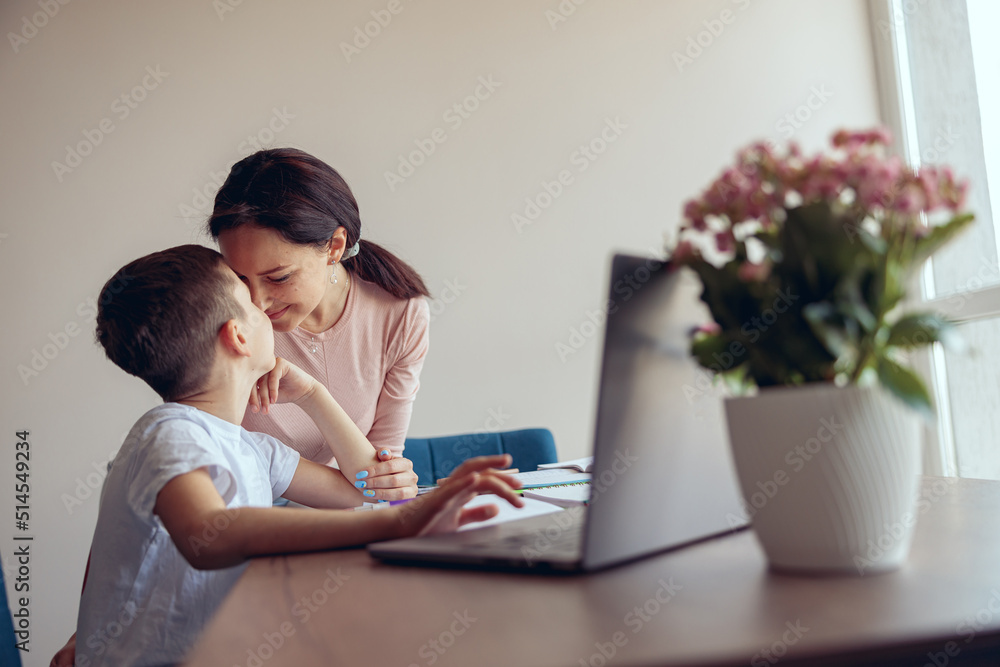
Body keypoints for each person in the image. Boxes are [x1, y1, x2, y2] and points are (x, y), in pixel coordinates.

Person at [71, 245, 521, 666]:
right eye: (250, 302)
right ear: (239, 337)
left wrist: (312, 394)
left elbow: (362, 491)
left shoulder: (254, 449)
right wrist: (398, 522)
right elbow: (207, 534)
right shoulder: (168, 433)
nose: (265, 307)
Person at [208, 148, 430, 484]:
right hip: (251, 515)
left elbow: (381, 477)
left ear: (335, 246)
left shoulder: (401, 314)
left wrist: (312, 397)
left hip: (347, 515)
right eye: (239, 278)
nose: (257, 303)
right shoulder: (222, 323)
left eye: (278, 277)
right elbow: (212, 464)